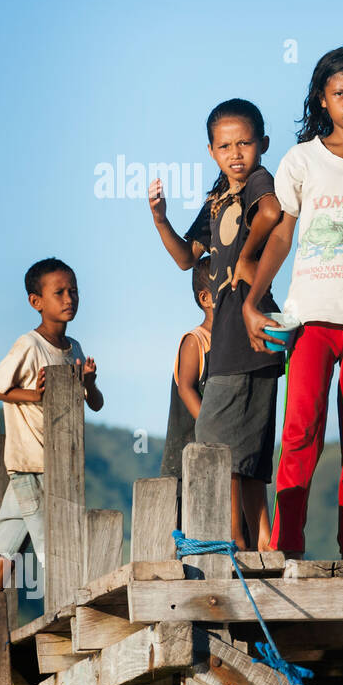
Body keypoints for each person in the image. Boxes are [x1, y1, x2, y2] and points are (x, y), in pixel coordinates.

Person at [242, 47, 343, 558]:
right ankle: (288, 548)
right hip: (311, 317)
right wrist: (253, 300)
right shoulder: (301, 159)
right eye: (340, 93)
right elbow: (282, 236)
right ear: (322, 99)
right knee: (300, 432)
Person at [147, 98, 283, 550]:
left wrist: (246, 257)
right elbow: (188, 256)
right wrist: (161, 219)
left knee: (214, 445)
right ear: (211, 151)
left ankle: (233, 541)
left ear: (262, 144)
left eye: (245, 143)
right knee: (243, 449)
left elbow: (271, 213)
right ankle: (257, 542)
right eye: (225, 146)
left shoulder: (257, 183)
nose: (236, 153)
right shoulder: (217, 199)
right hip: (228, 331)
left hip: (250, 323)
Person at [0, 258, 104, 636]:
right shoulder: (29, 345)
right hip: (30, 464)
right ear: (35, 301)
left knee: (6, 544)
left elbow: (96, 404)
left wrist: (88, 382)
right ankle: (66, 619)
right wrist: (32, 393)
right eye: (58, 292)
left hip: (58, 464)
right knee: (52, 542)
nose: (69, 298)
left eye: (73, 290)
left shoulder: (74, 348)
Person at [159, 256, 213, 514]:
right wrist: (212, 429)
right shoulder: (196, 341)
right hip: (186, 461)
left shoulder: (233, 344)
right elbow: (186, 388)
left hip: (217, 457)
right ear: (206, 299)